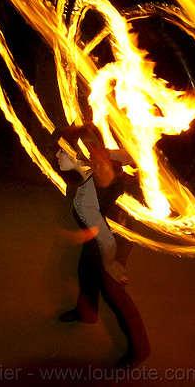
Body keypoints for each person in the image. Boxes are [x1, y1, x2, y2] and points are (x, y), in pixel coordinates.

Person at [55, 123, 150, 368]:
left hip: (115, 234)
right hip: (104, 227)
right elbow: (128, 157)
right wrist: (107, 153)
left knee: (111, 286)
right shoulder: (96, 166)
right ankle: (86, 312)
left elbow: (106, 239)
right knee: (86, 267)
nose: (56, 156)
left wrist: (112, 264)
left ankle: (140, 349)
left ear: (82, 154)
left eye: (62, 152)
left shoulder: (93, 189)